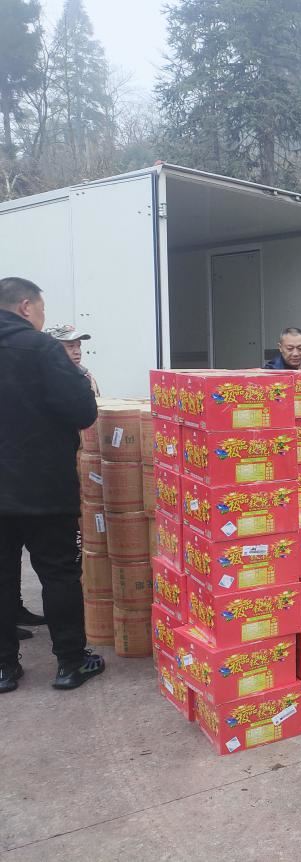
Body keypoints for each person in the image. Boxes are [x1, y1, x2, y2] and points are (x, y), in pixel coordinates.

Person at [0, 277, 104, 692]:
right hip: (43, 487)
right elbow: (82, 412)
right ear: (26, 307)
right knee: (59, 573)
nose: (42, 318)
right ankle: (70, 664)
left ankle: (4, 668)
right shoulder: (41, 349)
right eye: (41, 310)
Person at [45, 324, 100, 395]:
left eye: (79, 346)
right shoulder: (42, 377)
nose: (77, 352)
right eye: (70, 346)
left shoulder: (87, 376)